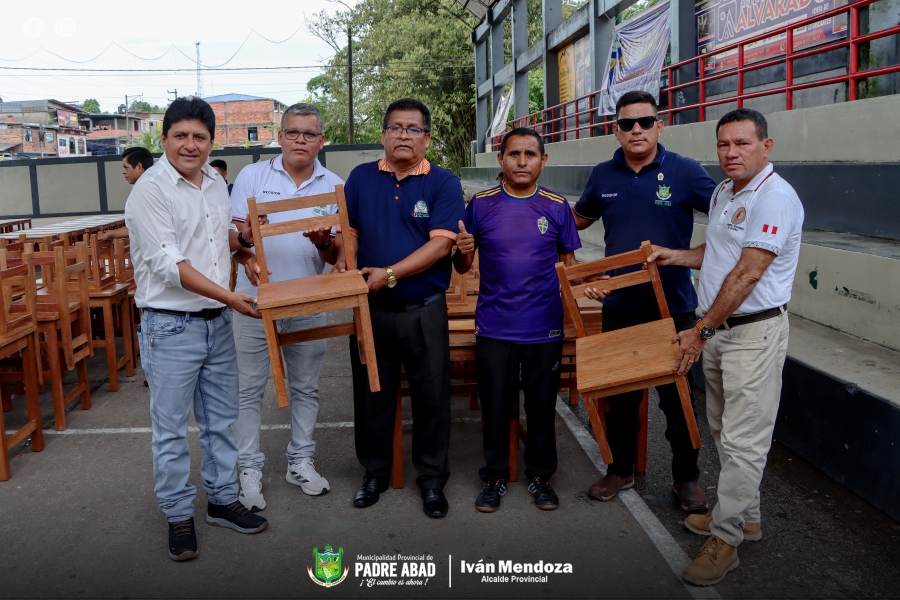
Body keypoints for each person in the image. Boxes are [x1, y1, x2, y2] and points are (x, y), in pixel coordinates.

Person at [647, 108, 803, 586]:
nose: (731, 153)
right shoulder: (723, 191)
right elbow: (717, 256)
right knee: (723, 429)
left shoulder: (775, 197)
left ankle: (727, 538)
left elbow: (748, 272)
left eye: (742, 144)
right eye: (724, 145)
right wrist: (675, 256)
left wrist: (700, 332)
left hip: (750, 333)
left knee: (744, 440)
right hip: (718, 330)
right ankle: (746, 519)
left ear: (766, 146)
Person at [125, 96, 268, 562]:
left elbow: (210, 239)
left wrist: (242, 251)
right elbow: (171, 264)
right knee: (170, 431)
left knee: (219, 422)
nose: (191, 145)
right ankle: (178, 515)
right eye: (181, 136)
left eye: (200, 137)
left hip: (216, 324)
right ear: (163, 139)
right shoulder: (149, 190)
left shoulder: (214, 184)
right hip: (170, 326)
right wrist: (230, 296)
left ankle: (223, 501)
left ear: (211, 142)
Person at [573, 90, 717, 510]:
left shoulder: (686, 171)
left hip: (672, 307)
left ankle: (686, 478)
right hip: (620, 307)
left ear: (660, 125)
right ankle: (620, 469)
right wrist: (587, 269)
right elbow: (574, 224)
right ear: (614, 130)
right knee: (621, 399)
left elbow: (729, 219)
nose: (636, 130)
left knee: (678, 400)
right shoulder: (602, 175)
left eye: (644, 122)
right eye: (626, 124)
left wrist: (699, 257)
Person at [345, 98, 465, 518]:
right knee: (372, 394)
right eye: (395, 127)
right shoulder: (360, 178)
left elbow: (440, 245)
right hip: (370, 310)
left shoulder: (443, 183)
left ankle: (432, 481)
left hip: (425, 309)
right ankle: (374, 473)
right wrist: (345, 254)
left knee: (432, 397)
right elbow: (351, 232)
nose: (403, 135)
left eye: (413, 129)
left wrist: (390, 274)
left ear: (427, 138)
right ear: (382, 135)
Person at [454, 128, 581, 513]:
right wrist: (461, 251)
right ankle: (494, 477)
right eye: (514, 154)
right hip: (495, 327)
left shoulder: (558, 206)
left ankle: (541, 477)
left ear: (543, 160)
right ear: (501, 160)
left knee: (542, 407)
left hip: (544, 326)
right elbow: (462, 264)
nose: (522, 161)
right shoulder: (480, 204)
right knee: (495, 407)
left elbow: (570, 266)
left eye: (530, 154)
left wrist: (590, 286)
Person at [229, 103, 344, 511]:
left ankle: (300, 460)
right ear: (279, 136)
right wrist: (246, 247)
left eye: (310, 134)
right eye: (293, 132)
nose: (301, 140)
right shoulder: (252, 176)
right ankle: (248, 469)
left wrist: (322, 242)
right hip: (254, 304)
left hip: (308, 301)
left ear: (321, 140)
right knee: (247, 390)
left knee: (306, 387)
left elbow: (336, 257)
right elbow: (229, 240)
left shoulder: (334, 185)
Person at [97, 146, 154, 243]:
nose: (123, 172)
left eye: (126, 167)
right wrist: (110, 233)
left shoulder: (144, 190)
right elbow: (136, 227)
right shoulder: (150, 185)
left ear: (139, 167)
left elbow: (147, 227)